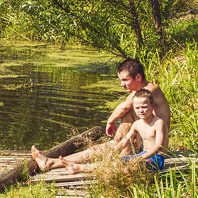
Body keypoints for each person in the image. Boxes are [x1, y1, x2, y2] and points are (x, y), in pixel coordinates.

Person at [31, 57, 171, 172]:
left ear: (138, 77)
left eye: (125, 80)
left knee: (122, 122)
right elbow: (126, 109)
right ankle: (52, 163)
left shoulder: (151, 90)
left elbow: (125, 106)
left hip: (154, 153)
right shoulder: (139, 95)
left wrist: (110, 121)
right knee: (112, 142)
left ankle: (54, 163)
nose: (122, 84)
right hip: (140, 148)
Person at [64, 89, 168, 173]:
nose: (141, 110)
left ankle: (79, 168)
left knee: (127, 166)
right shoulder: (137, 124)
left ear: (152, 106)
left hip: (155, 158)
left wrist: (141, 157)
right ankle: (77, 167)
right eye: (137, 108)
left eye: (144, 107)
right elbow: (125, 140)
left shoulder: (158, 123)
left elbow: (159, 146)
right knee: (117, 161)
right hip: (141, 155)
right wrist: (113, 153)